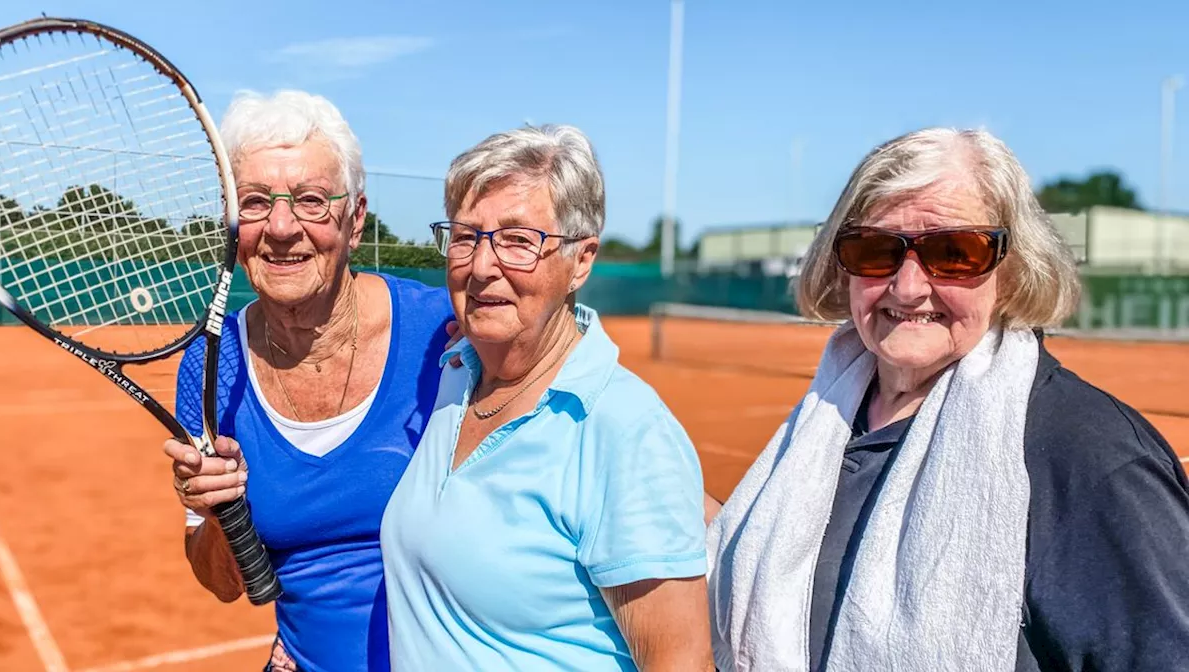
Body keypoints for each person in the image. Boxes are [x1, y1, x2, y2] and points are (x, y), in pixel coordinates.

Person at [705, 127, 1189, 672]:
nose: (908, 287)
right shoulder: (825, 420)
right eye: (875, 249)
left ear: (1011, 268)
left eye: (954, 253)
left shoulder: (1091, 457)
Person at [379, 124, 715, 671]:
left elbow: (681, 662)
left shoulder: (624, 429)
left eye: (518, 240)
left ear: (581, 260)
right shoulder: (455, 374)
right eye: (465, 236)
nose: (483, 266)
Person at [162, 89, 455, 672]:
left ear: (355, 217)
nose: (281, 227)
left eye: (312, 200)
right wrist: (219, 513)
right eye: (253, 202)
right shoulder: (209, 367)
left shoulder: (445, 335)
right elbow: (222, 581)